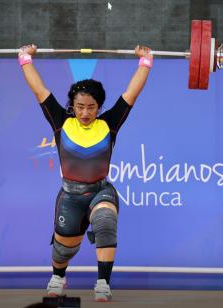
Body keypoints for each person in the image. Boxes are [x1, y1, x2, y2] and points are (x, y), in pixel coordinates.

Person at [19, 44, 152, 301]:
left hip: (101, 190)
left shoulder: (109, 124)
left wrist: (145, 62)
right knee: (64, 248)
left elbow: (131, 95)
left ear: (99, 107)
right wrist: (25, 59)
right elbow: (39, 90)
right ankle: (58, 275)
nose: (85, 112)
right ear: (73, 105)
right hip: (70, 196)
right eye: (80, 106)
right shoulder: (61, 121)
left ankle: (103, 282)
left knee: (105, 222)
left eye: (91, 107)